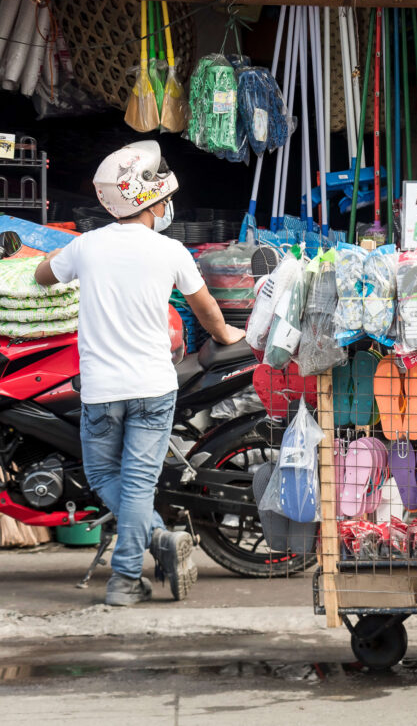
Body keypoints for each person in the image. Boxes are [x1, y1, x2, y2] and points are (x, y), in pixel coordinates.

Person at [34, 141, 245, 607]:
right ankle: (141, 560)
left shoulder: (86, 246)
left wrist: (41, 259)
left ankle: (131, 571)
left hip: (102, 390)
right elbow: (206, 307)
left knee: (106, 475)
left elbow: (43, 277)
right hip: (153, 387)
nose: (169, 207)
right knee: (135, 483)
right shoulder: (170, 251)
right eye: (166, 200)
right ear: (152, 200)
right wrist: (226, 334)